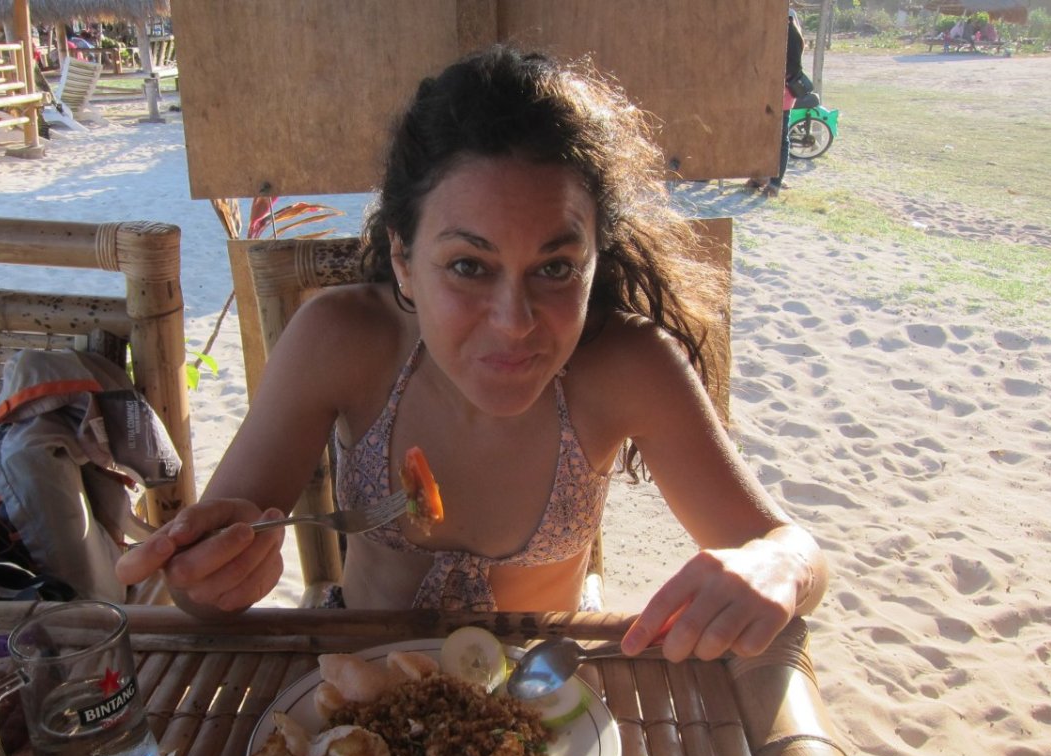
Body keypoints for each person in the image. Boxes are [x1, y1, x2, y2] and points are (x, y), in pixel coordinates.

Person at [117, 44, 828, 664]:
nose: (514, 323)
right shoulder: (340, 341)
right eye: (468, 267)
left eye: (555, 268)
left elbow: (790, 547)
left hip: (541, 707)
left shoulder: (628, 367)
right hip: (357, 703)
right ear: (403, 257)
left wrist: (779, 564)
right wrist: (209, 575)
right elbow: (207, 576)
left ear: (595, 258)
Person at [746, 10, 805, 198]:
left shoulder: (790, 33)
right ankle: (760, 176)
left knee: (780, 139)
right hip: (767, 90)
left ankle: (775, 183)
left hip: (782, 91)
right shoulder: (772, 30)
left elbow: (793, 66)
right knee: (761, 135)